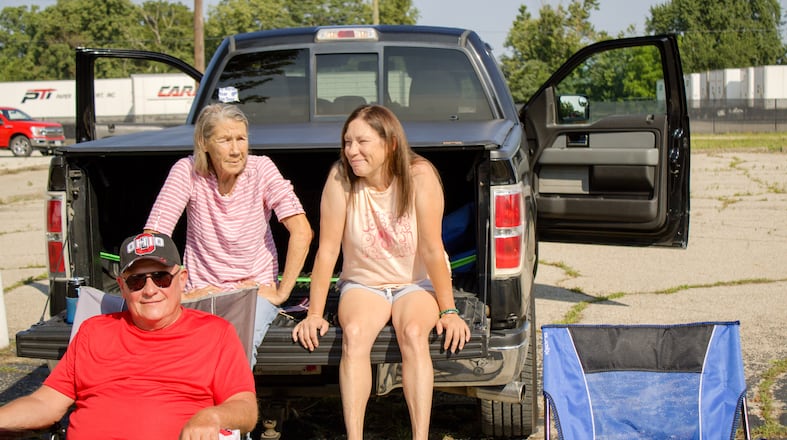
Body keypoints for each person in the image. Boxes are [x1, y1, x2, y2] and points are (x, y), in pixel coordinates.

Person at [291, 104, 471, 440]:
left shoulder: (419, 175)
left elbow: (433, 249)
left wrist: (449, 310)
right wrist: (314, 313)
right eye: (347, 142)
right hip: (364, 284)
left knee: (415, 334)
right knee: (355, 335)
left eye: (362, 142)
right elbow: (327, 250)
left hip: (414, 282)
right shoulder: (340, 177)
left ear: (389, 144)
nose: (351, 151)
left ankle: (420, 436)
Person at [0, 232, 258, 438]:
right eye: (137, 281)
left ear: (181, 280)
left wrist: (212, 417)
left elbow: (245, 408)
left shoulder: (215, 333)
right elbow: (45, 404)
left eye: (161, 278)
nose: (149, 290)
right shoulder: (93, 331)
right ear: (122, 287)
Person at [144, 103, 313, 367]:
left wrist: (281, 293)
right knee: (186, 356)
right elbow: (153, 238)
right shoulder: (186, 171)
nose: (236, 150)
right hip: (202, 291)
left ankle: (233, 408)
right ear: (204, 143)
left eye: (241, 139)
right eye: (225, 140)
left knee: (236, 349)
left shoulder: (262, 169)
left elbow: (302, 231)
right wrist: (176, 291)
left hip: (253, 291)